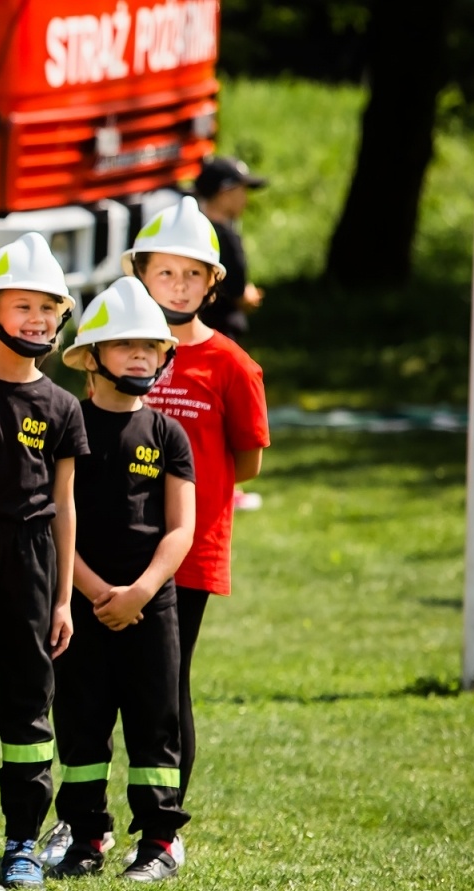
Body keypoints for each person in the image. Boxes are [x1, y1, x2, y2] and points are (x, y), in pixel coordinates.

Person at [126, 196, 269, 831]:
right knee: (105, 687)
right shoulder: (119, 348)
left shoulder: (233, 364)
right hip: (116, 545)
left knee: (166, 682)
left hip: (191, 549)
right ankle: (85, 821)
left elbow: (248, 461)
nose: (177, 285)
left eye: (191, 274)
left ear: (213, 283)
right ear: (141, 276)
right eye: (165, 273)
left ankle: (161, 826)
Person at [50, 276, 194, 883]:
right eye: (125, 344)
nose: (140, 355)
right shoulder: (68, 423)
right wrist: (90, 590)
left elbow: (181, 528)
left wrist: (139, 591)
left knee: (154, 718)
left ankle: (159, 841)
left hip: (150, 606)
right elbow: (58, 515)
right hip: (82, 604)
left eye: (150, 346)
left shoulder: (168, 434)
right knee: (81, 721)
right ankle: (87, 836)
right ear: (92, 357)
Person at [0, 232, 85, 891]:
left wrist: (63, 599)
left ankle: (23, 843)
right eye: (21, 306)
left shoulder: (63, 407)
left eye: (47, 309)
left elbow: (64, 507)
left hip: (34, 566)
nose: (35, 320)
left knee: (29, 709)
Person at [193, 156, 267, 339]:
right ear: (225, 193)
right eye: (242, 191)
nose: (246, 200)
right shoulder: (226, 238)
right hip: (222, 332)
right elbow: (239, 295)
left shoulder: (191, 232)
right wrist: (248, 296)